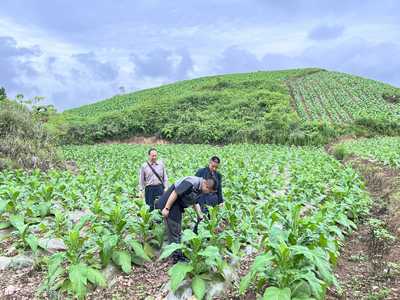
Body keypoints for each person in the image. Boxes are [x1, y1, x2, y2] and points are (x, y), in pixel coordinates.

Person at [155, 176, 216, 262]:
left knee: (178, 231)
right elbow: (175, 193)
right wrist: (167, 208)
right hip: (169, 204)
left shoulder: (199, 188)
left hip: (177, 206)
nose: (208, 193)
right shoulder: (191, 182)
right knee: (174, 231)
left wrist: (200, 215)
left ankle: (178, 253)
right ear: (205, 185)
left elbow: (195, 202)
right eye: (209, 191)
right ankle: (176, 257)